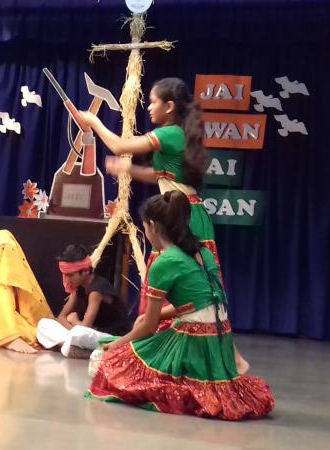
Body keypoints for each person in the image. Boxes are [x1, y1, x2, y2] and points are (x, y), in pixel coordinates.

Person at [80, 77, 249, 374]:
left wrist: (93, 121)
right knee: (190, 287)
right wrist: (129, 169)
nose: (149, 107)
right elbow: (162, 176)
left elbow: (120, 145)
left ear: (169, 106)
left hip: (185, 216)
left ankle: (230, 357)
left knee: (201, 288)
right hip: (181, 213)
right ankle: (170, 354)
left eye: (153, 102)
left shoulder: (169, 133)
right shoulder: (176, 135)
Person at [86, 192, 274, 420]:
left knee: (108, 365)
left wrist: (117, 344)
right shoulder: (204, 252)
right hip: (220, 340)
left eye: (144, 227)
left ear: (152, 226)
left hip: (194, 342)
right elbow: (200, 303)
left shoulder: (164, 262)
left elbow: (148, 328)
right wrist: (157, 317)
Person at [36, 244, 131, 358]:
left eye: (70, 275)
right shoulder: (77, 288)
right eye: (65, 275)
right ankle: (76, 349)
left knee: (79, 334)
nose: (67, 280)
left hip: (112, 338)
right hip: (85, 332)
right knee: (44, 324)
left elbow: (85, 328)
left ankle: (74, 348)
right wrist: (72, 325)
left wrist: (74, 321)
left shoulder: (96, 290)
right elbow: (61, 317)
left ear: (85, 271)